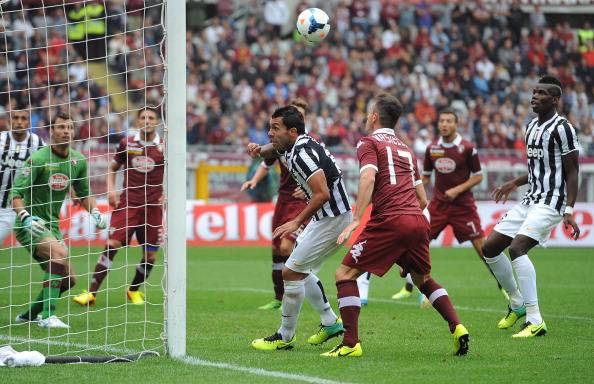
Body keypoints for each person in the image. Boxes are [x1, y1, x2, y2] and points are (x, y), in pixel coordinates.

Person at [322, 93, 469, 357]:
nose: (367, 117)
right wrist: (403, 247)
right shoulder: (406, 149)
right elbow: (423, 199)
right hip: (416, 219)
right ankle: (457, 326)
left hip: (390, 220)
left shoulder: (368, 143)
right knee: (422, 279)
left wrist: (357, 218)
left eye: (369, 113)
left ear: (375, 117)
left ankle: (350, 343)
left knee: (344, 275)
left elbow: (368, 177)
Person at [482, 75, 580, 338]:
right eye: (534, 92)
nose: (534, 97)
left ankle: (536, 320)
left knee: (517, 248)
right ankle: (517, 302)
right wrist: (513, 183)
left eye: (542, 93)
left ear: (555, 100)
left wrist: (569, 210)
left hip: (551, 202)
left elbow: (572, 172)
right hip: (530, 199)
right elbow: (537, 168)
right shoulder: (530, 128)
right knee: (489, 248)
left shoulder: (564, 128)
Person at [247, 105, 351, 351]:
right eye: (269, 127)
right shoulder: (296, 145)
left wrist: (296, 220)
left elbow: (322, 193)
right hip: (327, 217)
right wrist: (259, 151)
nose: (270, 133)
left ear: (292, 131)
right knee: (297, 270)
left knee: (291, 272)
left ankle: (285, 336)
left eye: (275, 128)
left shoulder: (302, 153)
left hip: (332, 219)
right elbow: (274, 149)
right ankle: (329, 322)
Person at [392, 109, 508, 303]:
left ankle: (504, 285)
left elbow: (478, 176)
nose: (444, 124)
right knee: (416, 242)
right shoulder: (432, 149)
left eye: (449, 121)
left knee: (483, 249)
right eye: (442, 121)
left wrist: (457, 190)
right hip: (439, 205)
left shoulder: (467, 148)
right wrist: (411, 191)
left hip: (463, 206)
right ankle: (411, 288)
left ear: (456, 124)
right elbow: (426, 177)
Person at [11, 112, 106, 328]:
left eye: (70, 128)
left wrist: (96, 212)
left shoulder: (77, 161)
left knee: (69, 280)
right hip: (31, 226)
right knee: (60, 253)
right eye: (61, 127)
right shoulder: (38, 159)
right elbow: (15, 193)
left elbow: (83, 193)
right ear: (52, 131)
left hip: (52, 226)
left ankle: (28, 315)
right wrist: (25, 217)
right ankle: (48, 316)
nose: (66, 132)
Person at [73, 107, 164, 306]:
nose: (147, 120)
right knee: (111, 245)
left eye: (151, 117)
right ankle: (91, 293)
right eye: (143, 117)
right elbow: (112, 167)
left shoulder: (164, 147)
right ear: (137, 121)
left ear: (156, 122)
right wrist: (111, 190)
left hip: (153, 209)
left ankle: (133, 291)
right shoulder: (127, 143)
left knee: (150, 255)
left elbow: (173, 174)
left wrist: (166, 195)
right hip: (128, 204)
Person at [240, 99, 308, 310]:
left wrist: (308, 189)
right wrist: (254, 179)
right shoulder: (281, 145)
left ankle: (295, 294)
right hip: (284, 199)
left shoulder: (309, 146)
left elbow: (326, 175)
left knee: (288, 246)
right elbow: (265, 161)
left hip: (303, 203)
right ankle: (279, 297)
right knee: (277, 248)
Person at [0, 105, 45, 246]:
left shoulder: (37, 144)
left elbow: (51, 166)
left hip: (10, 209)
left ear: (29, 122)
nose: (19, 121)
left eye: (23, 118)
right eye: (16, 118)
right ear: (10, 121)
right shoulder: (1, 139)